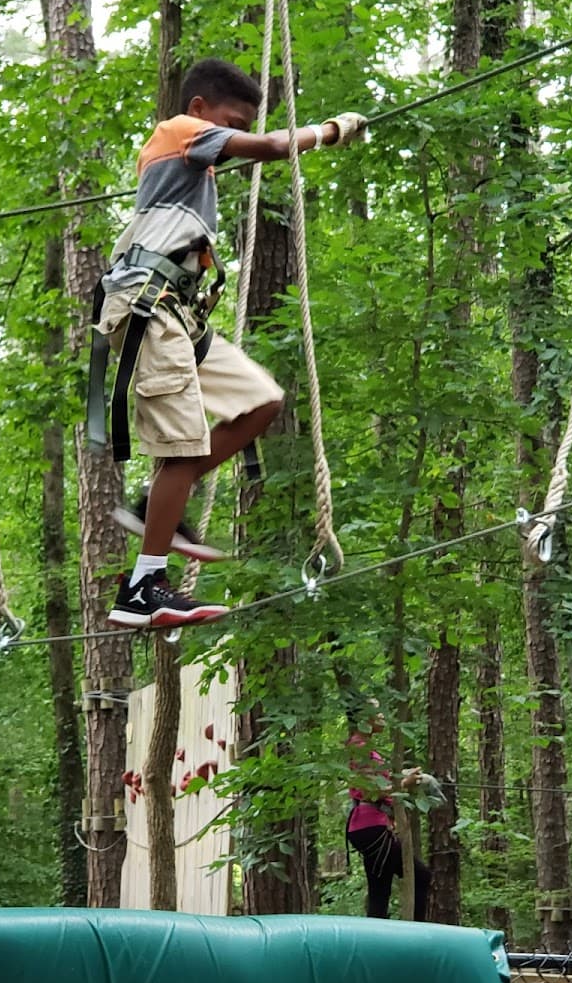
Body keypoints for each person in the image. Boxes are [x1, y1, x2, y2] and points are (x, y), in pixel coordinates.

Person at [97, 58, 367, 629]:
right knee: (183, 449)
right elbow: (271, 146)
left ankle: (159, 502)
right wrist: (330, 131)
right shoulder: (179, 131)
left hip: (180, 315)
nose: (237, 134)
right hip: (148, 306)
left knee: (261, 401)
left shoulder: (195, 171)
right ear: (200, 109)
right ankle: (142, 588)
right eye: (232, 122)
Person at [346, 700, 432, 922]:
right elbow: (371, 790)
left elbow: (378, 783)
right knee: (420, 877)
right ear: (364, 717)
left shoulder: (364, 747)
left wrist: (403, 776)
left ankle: (379, 936)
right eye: (377, 711)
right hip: (371, 827)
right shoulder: (360, 748)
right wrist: (404, 783)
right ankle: (416, 934)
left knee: (380, 892)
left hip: (370, 827)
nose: (382, 716)